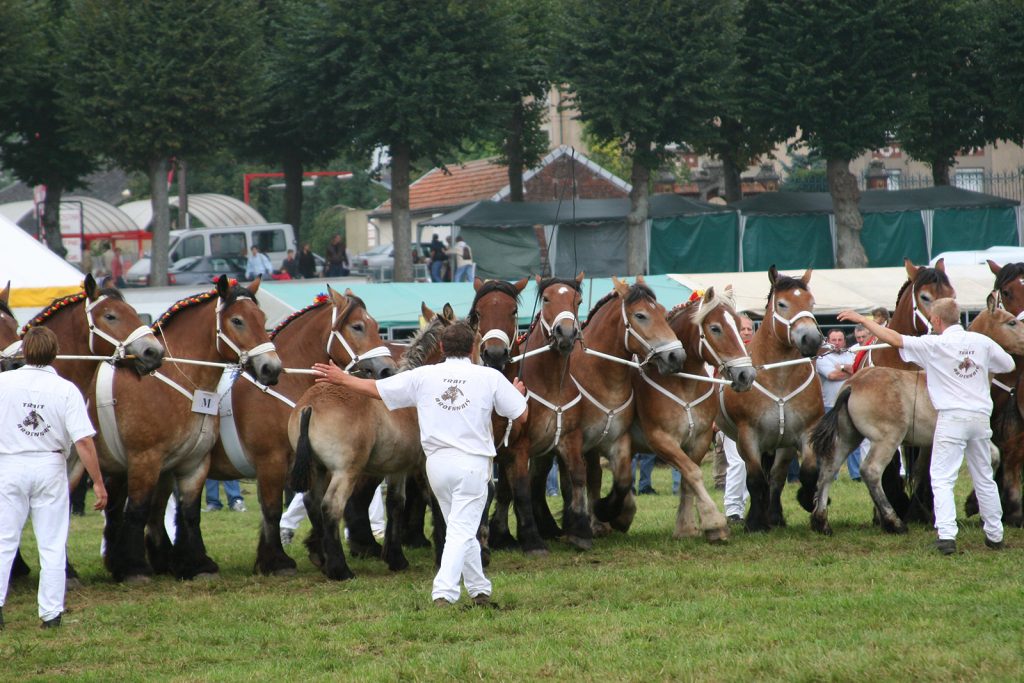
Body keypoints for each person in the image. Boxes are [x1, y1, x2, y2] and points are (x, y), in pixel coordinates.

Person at [312, 322, 528, 606]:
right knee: (462, 530)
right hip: (472, 466)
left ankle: (479, 589)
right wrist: (517, 392)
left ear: (440, 347)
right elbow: (521, 417)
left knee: (458, 528)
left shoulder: (424, 375)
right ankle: (444, 592)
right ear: (474, 348)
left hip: (437, 466)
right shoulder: (489, 377)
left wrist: (342, 379)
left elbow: (377, 389)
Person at [839, 298, 1013, 555]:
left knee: (942, 478)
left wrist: (865, 321)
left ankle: (947, 536)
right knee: (984, 476)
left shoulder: (934, 344)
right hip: (979, 418)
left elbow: (895, 339)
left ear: (936, 320)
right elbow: (1007, 364)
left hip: (952, 418)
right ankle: (995, 535)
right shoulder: (982, 342)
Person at [0, 327, 108, 629]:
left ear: (23, 352)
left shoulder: (3, 383)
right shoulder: (66, 389)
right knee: (52, 542)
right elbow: (84, 442)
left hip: (9, 464)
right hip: (49, 465)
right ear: (54, 352)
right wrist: (98, 482)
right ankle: (50, 613)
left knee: (4, 540)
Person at [817, 329, 861, 480]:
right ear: (828, 341)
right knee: (831, 442)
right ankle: (831, 475)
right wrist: (851, 370)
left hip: (853, 403)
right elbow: (831, 376)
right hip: (830, 404)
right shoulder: (822, 358)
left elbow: (860, 371)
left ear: (844, 341)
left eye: (840, 340)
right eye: (833, 340)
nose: (837, 343)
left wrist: (842, 368)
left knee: (854, 440)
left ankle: (856, 475)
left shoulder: (853, 355)